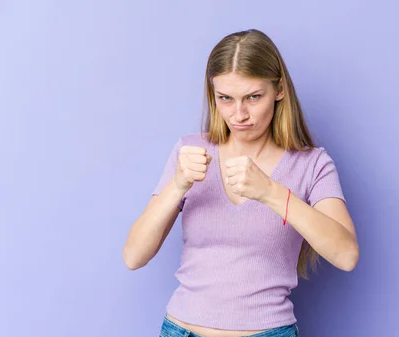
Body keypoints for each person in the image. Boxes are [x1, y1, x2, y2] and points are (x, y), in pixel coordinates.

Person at [122, 29, 360, 337]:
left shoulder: (312, 164)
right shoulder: (190, 151)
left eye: (253, 97)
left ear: (279, 90)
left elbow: (346, 255)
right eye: (225, 98)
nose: (239, 114)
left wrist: (272, 193)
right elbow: (133, 256)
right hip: (181, 330)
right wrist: (178, 184)